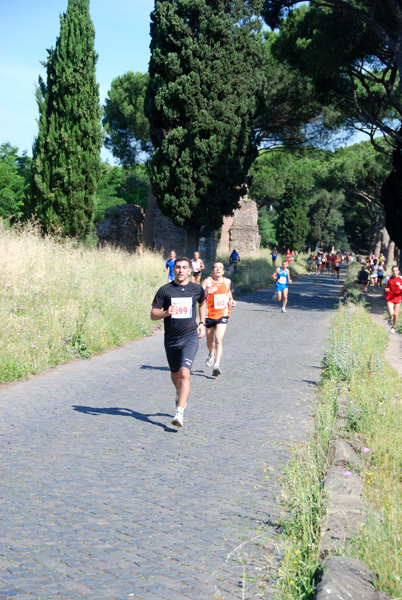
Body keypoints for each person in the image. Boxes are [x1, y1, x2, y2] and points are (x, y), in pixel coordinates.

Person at [151, 256, 206, 427]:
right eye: (178, 267)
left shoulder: (197, 289)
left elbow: (203, 303)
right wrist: (166, 313)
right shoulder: (165, 290)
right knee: (175, 373)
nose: (181, 270)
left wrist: (202, 323)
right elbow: (153, 315)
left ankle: (179, 413)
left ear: (190, 270)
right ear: (173, 269)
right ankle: (178, 391)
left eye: (184, 267)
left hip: (190, 337)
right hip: (171, 338)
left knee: (184, 373)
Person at [202, 261, 235, 378]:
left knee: (218, 339)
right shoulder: (207, 281)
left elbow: (228, 292)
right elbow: (199, 294)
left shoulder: (227, 281)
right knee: (209, 342)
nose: (218, 270)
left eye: (220, 268)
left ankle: (216, 365)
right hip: (209, 315)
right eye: (215, 268)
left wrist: (231, 300)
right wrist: (206, 292)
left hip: (222, 314)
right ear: (212, 271)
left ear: (223, 271)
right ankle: (211, 353)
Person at [383, 265, 402, 334]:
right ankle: (390, 317)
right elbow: (384, 284)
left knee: (396, 314)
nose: (394, 272)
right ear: (392, 271)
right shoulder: (388, 278)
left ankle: (393, 327)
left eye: (396, 271)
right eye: (393, 271)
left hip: (398, 297)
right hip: (389, 297)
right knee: (391, 312)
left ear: (398, 271)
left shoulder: (401, 278)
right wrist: (385, 289)